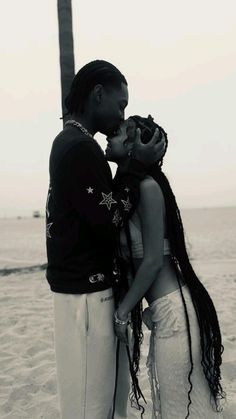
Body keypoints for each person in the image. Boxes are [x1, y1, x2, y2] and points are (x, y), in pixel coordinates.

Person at [45, 60, 165, 419]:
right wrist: (135, 167)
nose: (121, 114)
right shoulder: (81, 148)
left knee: (96, 404)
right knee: (89, 407)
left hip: (80, 292)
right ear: (98, 95)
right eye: (120, 104)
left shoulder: (70, 141)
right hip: (85, 296)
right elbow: (111, 219)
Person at [106, 115, 225, 419]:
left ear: (134, 145)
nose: (110, 135)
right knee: (175, 405)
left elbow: (153, 261)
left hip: (174, 313)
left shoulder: (147, 188)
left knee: (180, 408)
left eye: (119, 132)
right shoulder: (128, 189)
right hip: (165, 311)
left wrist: (122, 313)